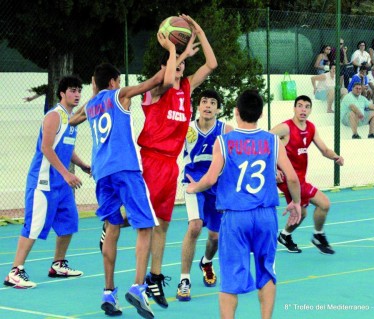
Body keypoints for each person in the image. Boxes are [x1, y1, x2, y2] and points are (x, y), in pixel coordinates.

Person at [69, 33, 177, 318]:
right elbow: (155, 81)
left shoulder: (91, 106)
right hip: (125, 169)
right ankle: (138, 288)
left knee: (111, 230)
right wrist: (171, 52)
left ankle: (108, 292)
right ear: (114, 82)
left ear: (95, 84)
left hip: (102, 174)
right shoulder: (120, 94)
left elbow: (72, 119)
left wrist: (94, 92)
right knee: (145, 227)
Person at [186, 89, 301, 319]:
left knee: (229, 278)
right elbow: (292, 177)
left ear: (236, 112)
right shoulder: (272, 140)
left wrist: (192, 187)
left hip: (235, 217)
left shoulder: (223, 141)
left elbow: (209, 179)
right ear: (260, 113)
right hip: (265, 215)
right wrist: (296, 202)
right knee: (267, 273)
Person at [136, 14, 218, 309]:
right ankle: (113, 219)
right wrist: (173, 51)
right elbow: (169, 76)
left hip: (171, 165)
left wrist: (199, 30)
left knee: (163, 225)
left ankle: (154, 279)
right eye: (175, 65)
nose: (180, 69)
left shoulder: (186, 89)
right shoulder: (158, 88)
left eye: (183, 66)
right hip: (151, 160)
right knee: (146, 223)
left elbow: (211, 65)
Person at [3, 76, 90, 289]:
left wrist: (83, 166)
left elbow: (67, 149)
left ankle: (58, 265)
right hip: (43, 182)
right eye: (72, 90)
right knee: (33, 226)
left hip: (61, 184)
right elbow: (46, 148)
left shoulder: (71, 119)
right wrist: (67, 174)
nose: (77, 94)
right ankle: (15, 271)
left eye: (79, 90)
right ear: (62, 93)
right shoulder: (54, 116)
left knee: (69, 222)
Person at [176, 90, 233, 302]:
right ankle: (184, 280)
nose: (208, 105)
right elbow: (170, 150)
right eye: (204, 102)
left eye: (212, 102)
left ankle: (206, 262)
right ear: (198, 106)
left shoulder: (226, 130)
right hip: (193, 184)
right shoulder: (187, 129)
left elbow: (240, 154)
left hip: (217, 187)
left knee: (214, 237)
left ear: (218, 108)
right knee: (194, 226)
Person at [271, 95, 344, 255]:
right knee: (324, 204)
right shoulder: (285, 128)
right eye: (300, 106)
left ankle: (285, 236)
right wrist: (273, 169)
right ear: (294, 108)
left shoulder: (311, 128)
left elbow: (324, 150)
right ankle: (318, 236)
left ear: (310, 110)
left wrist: (336, 157)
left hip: (299, 179)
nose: (303, 109)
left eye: (307, 106)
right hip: (288, 179)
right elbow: (264, 142)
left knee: (301, 213)